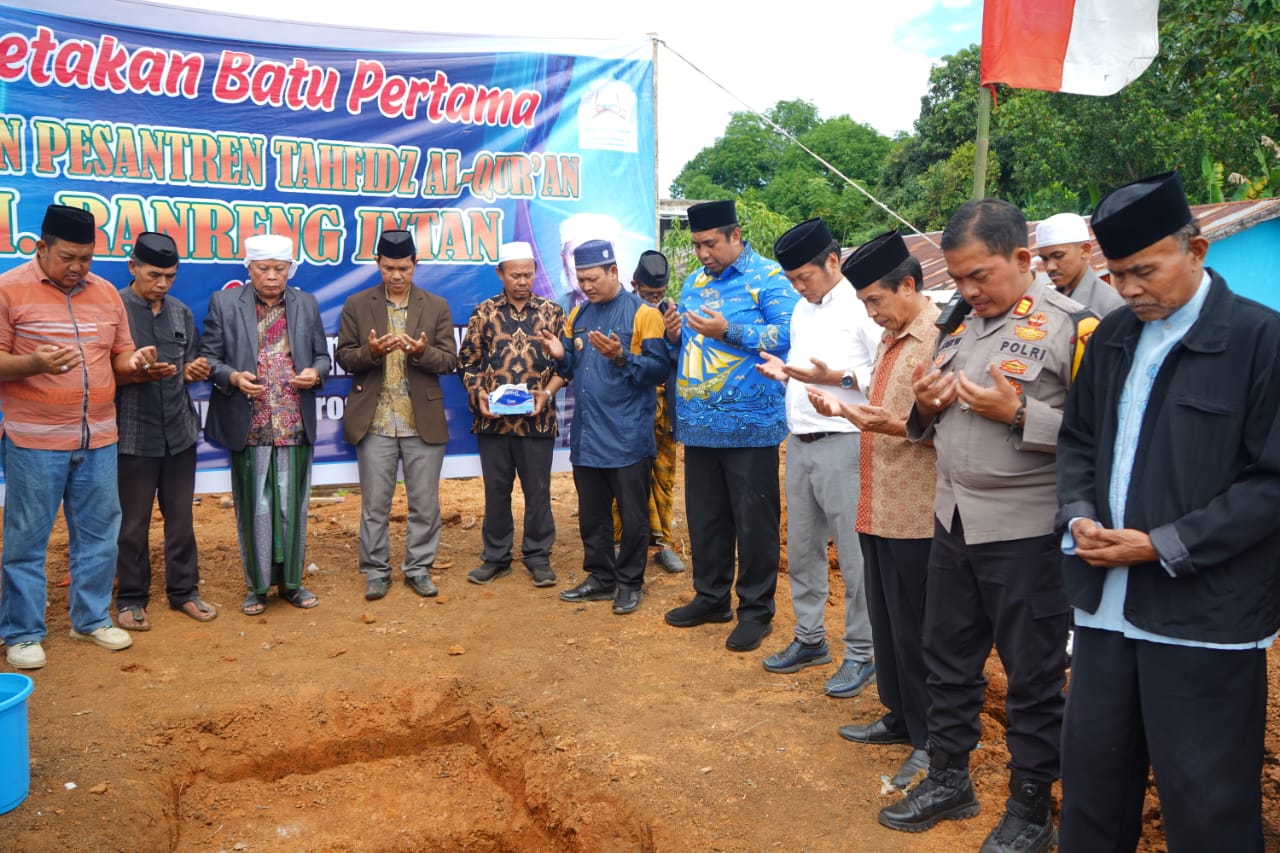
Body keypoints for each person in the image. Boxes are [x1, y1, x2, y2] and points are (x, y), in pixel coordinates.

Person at [1056, 171, 1280, 853]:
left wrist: (1164, 543)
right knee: (1093, 788)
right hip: (1105, 610)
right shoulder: (1114, 337)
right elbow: (1079, 442)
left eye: (1143, 272)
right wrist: (1078, 513)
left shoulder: (1259, 342)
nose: (1128, 290)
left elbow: (1272, 484)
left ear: (1198, 249)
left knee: (1207, 800)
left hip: (1205, 617)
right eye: (1117, 274)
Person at [878, 199, 1097, 853]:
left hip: (1026, 532)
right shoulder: (959, 323)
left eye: (980, 275)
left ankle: (1031, 806)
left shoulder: (1074, 328)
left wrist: (1020, 410)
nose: (968, 290)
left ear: (1023, 260)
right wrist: (922, 406)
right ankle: (949, 777)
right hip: (954, 517)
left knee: (1031, 676)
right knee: (946, 658)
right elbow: (931, 422)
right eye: (960, 277)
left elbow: (1102, 438)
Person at [809, 229, 939, 790]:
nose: (871, 312)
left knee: (919, 630)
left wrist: (877, 420)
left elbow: (937, 426)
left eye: (875, 301)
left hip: (917, 509)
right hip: (878, 502)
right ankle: (900, 715)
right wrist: (845, 400)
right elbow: (882, 405)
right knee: (888, 624)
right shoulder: (893, 337)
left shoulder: (938, 338)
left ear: (907, 286)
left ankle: (934, 739)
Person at [0, 204, 156, 670]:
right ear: (41, 247)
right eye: (67, 257)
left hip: (99, 437)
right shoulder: (9, 290)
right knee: (27, 539)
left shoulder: (107, 294)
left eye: (86, 258)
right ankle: (23, 632)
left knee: (100, 535)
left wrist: (137, 363)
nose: (77, 268)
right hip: (34, 441)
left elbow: (121, 358)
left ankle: (89, 619)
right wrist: (33, 364)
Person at [661, 199, 799, 652]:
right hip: (698, 422)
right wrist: (674, 332)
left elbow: (791, 334)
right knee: (706, 519)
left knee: (754, 522)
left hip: (751, 422)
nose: (703, 253)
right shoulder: (694, 281)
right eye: (697, 244)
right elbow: (689, 340)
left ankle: (756, 611)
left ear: (736, 236)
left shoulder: (769, 278)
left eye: (711, 244)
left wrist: (731, 332)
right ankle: (711, 597)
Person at [753, 218, 880, 698]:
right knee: (803, 549)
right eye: (791, 281)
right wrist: (787, 375)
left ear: (833, 261)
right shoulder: (802, 312)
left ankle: (862, 651)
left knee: (853, 558)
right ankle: (809, 638)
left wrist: (836, 380)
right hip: (802, 440)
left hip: (846, 442)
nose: (799, 288)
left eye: (805, 277)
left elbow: (881, 377)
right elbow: (809, 372)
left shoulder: (863, 306)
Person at [201, 233, 331, 616]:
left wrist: (314, 373)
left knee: (293, 504)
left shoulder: (305, 304)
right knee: (255, 506)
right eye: (263, 269)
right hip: (250, 420)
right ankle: (257, 587)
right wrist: (232, 378)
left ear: (291, 268)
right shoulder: (224, 303)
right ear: (248, 268)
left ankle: (292, 583)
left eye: (280, 268)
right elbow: (208, 358)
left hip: (292, 418)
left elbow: (323, 356)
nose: (272, 276)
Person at [538, 239, 667, 615]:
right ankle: (600, 577)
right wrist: (561, 357)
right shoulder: (577, 316)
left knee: (632, 516)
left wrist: (622, 356)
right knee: (593, 515)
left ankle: (629, 583)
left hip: (628, 437)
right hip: (588, 436)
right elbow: (569, 371)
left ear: (614, 271)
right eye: (580, 279)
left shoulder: (644, 315)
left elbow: (658, 370)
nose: (587, 286)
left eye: (593, 278)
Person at [336, 229, 457, 601]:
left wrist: (421, 353)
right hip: (375, 421)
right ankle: (376, 571)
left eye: (404, 268)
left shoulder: (435, 306)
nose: (397, 275)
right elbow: (344, 356)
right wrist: (371, 352)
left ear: (415, 264)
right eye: (389, 268)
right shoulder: (357, 304)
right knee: (375, 505)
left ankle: (418, 569)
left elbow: (450, 360)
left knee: (425, 503)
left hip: (421, 419)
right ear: (377, 264)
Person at [114, 231, 217, 631]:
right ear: (132, 267)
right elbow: (101, 371)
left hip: (179, 432)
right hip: (131, 436)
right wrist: (134, 373)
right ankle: (131, 598)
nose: (162, 284)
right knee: (132, 524)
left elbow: (192, 360)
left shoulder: (179, 313)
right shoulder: (115, 309)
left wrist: (195, 369)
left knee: (180, 519)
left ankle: (184, 592)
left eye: (170, 277)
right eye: (154, 275)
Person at [458, 240, 566, 588]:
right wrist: (478, 394)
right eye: (515, 275)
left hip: (537, 419)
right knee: (496, 491)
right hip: (493, 421)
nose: (522, 281)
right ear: (500, 274)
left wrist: (546, 394)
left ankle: (537, 556)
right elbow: (467, 361)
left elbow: (567, 366)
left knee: (538, 492)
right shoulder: (484, 312)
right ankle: (496, 557)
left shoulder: (552, 312)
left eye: (528, 274)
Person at [617, 250, 685, 574]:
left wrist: (675, 338)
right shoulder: (622, 311)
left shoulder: (673, 313)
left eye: (659, 294)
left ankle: (664, 543)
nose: (654, 299)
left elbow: (685, 358)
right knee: (627, 477)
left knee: (664, 478)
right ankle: (624, 542)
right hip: (630, 409)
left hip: (666, 410)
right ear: (634, 284)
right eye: (648, 294)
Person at [1035, 212, 1125, 317]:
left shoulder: (1110, 306)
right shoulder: (1045, 302)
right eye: (1044, 259)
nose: (1050, 267)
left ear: (1085, 250)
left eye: (1058, 256)